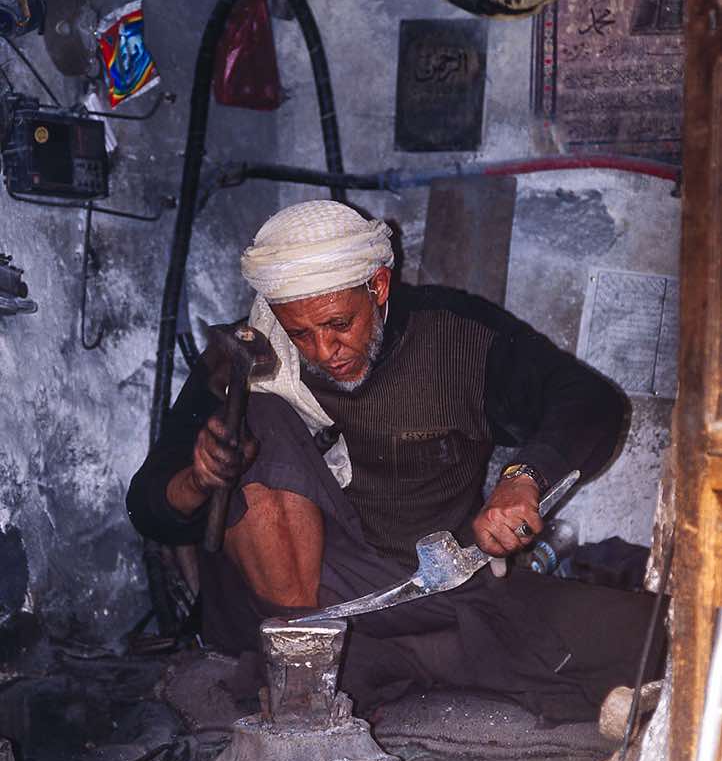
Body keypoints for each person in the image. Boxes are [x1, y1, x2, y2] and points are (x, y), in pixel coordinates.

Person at [127, 200, 665, 721]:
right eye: (300, 333)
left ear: (378, 286)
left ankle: (407, 659)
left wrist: (524, 477)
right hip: (308, 606)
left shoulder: (457, 335)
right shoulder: (245, 359)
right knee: (264, 419)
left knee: (655, 637)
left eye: (339, 324)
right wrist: (198, 480)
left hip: (432, 586)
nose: (322, 351)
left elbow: (590, 402)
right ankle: (323, 663)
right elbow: (147, 506)